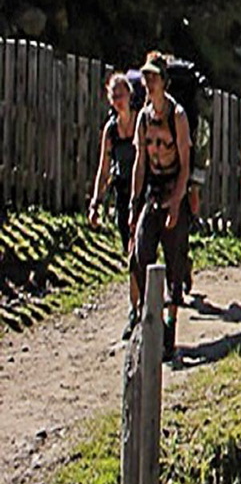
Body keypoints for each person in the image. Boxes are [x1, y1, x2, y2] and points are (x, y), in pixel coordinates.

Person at [129, 51, 191, 364]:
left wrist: (177, 204)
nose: (148, 83)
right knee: (140, 254)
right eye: (146, 77)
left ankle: (169, 331)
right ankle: (144, 318)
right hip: (153, 191)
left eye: (153, 77)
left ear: (164, 81)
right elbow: (140, 162)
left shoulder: (177, 116)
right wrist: (133, 203)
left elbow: (185, 165)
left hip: (174, 189)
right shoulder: (143, 118)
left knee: (174, 264)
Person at [89, 70, 140, 338]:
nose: (119, 100)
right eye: (114, 96)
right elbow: (104, 168)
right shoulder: (111, 131)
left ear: (130, 96)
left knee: (140, 249)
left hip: (143, 191)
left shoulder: (142, 122)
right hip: (122, 194)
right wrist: (96, 202)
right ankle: (137, 307)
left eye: (122, 94)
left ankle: (140, 305)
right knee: (130, 252)